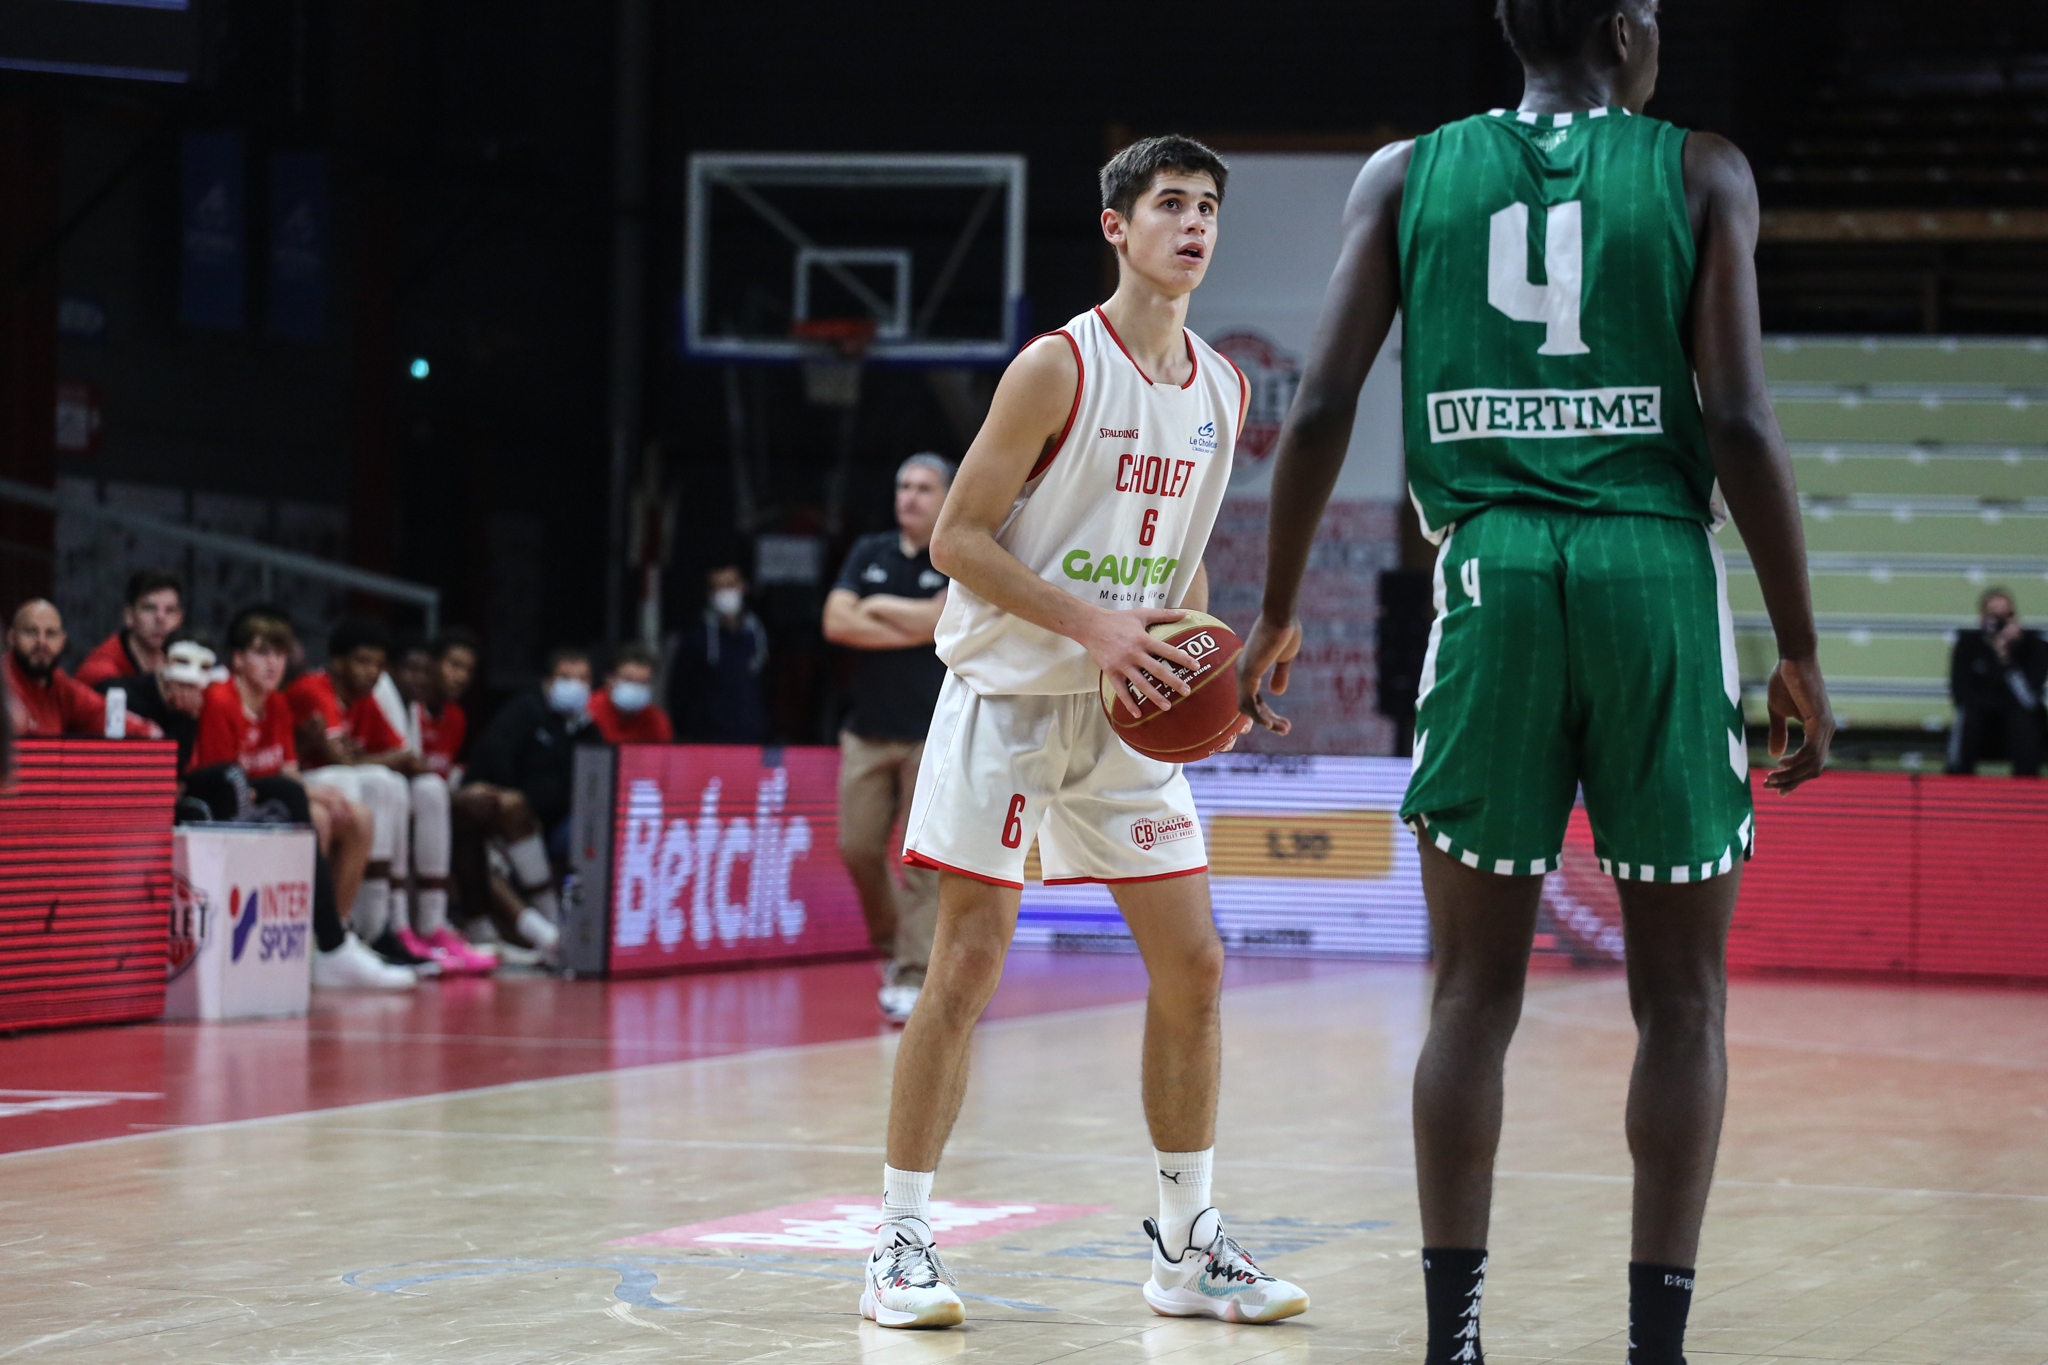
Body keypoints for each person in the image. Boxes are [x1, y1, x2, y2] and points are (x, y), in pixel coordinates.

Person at [1237, 6, 1836, 1363]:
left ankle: (1454, 1338)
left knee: (1468, 995)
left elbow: (1320, 408)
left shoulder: (1401, 173)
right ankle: (1655, 1347)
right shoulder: (1702, 169)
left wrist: (1274, 608)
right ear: (1630, 27)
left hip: (1490, 569)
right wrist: (1798, 644)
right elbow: (1737, 418)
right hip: (1654, 574)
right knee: (1683, 1002)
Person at [863, 135, 1307, 1333]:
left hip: (1122, 719)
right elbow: (956, 539)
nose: (1193, 223)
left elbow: (1181, 560)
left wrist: (1205, 661)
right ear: (1115, 226)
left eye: (1208, 206)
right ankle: (899, 1244)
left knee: (1196, 966)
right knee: (963, 965)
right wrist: (1094, 629)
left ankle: (1184, 1247)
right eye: (1169, 203)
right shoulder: (1055, 367)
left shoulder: (1224, 388)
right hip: (1008, 698)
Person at [192, 612, 410, 989]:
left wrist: (312, 789)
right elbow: (226, 784)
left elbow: (287, 770)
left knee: (357, 816)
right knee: (318, 817)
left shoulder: (276, 703)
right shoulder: (221, 701)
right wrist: (304, 792)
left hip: (267, 795)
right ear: (238, 659)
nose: (273, 663)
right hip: (225, 808)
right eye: (261, 653)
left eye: (279, 653)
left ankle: (338, 939)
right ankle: (313, 943)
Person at [823, 453, 953, 1023]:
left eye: (924, 488)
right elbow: (835, 623)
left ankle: (912, 973)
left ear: (947, 496)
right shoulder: (868, 551)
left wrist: (875, 611)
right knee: (857, 848)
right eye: (904, 485)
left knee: (922, 861)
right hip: (866, 731)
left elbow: (940, 622)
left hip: (930, 731)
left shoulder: (955, 552)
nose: (911, 496)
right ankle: (894, 943)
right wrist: (915, 624)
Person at [288, 618, 472, 975]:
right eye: (362, 662)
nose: (372, 672)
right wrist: (378, 758)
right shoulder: (314, 688)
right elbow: (345, 760)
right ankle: (355, 926)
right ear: (337, 662)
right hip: (304, 784)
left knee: (419, 787)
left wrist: (375, 758)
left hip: (334, 783)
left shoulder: (364, 700)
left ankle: (410, 926)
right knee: (368, 781)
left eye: (377, 664)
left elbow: (406, 758)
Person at [469, 646, 599, 874]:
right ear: (548, 681)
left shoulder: (588, 728)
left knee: (592, 832)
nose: (575, 686)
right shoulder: (524, 711)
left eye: (582, 679)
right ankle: (543, 906)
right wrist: (522, 810)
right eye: (566, 678)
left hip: (557, 822)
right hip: (512, 816)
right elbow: (495, 760)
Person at [5, 599, 160, 739]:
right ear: (11, 638)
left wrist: (149, 732)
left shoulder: (59, 683)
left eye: (51, 634)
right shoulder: (4, 683)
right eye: (31, 632)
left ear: (62, 641)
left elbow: (98, 713)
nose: (41, 642)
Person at [1946, 588, 2047, 777]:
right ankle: (1960, 788)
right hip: (1981, 723)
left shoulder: (2033, 645)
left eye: (2006, 615)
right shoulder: (1968, 645)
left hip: (2017, 724)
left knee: (2024, 722)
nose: (2000, 622)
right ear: (1981, 618)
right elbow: (1960, 695)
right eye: (1993, 615)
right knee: (1968, 719)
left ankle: (2026, 791)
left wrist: (2006, 659)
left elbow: (2029, 699)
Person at [668, 566, 769, 743]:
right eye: (719, 587)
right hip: (706, 740)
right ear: (710, 594)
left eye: (730, 585)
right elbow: (678, 690)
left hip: (750, 738)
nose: (726, 593)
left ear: (743, 587)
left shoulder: (758, 635)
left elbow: (765, 687)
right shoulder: (695, 639)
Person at [97, 632, 217, 773]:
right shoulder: (119, 695)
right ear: (162, 661)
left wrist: (188, 717)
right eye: (181, 662)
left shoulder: (194, 708)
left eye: (204, 667)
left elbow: (174, 767)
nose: (191, 678)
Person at [76, 569, 185, 688]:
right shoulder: (101, 671)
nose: (161, 618)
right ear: (129, 616)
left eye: (170, 610)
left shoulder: (188, 661)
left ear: (179, 619)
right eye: (149, 608)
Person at [588, 642, 674, 744]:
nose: (635, 688)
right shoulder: (588, 712)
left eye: (643, 682)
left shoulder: (657, 722)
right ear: (610, 679)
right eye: (628, 680)